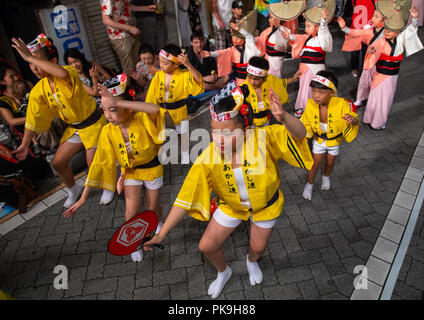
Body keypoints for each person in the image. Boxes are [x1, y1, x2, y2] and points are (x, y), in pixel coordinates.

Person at [144, 81, 313, 299]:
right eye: (214, 132)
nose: (219, 139)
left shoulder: (263, 138)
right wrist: (162, 234)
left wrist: (283, 117)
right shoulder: (209, 155)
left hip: (264, 207)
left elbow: (300, 134)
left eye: (227, 132)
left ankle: (251, 261)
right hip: (231, 207)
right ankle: (224, 272)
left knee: (258, 249)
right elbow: (185, 197)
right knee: (206, 245)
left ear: (246, 129)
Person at [63, 79, 164, 263]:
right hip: (131, 172)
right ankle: (135, 243)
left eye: (113, 110)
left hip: (152, 168)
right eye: (104, 110)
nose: (108, 115)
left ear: (129, 107)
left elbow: (155, 110)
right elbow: (98, 164)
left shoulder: (141, 117)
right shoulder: (107, 131)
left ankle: (157, 223)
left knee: (152, 207)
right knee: (130, 212)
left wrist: (118, 102)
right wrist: (83, 198)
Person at [11, 34, 110, 208]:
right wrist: (25, 144)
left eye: (38, 61)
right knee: (58, 163)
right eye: (30, 63)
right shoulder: (38, 90)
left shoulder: (68, 72)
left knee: (93, 164)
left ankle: (107, 187)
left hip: (93, 123)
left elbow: (62, 72)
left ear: (53, 60)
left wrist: (27, 56)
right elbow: (33, 119)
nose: (34, 67)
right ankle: (73, 189)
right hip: (76, 128)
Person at [301, 70, 359, 200]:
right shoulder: (310, 104)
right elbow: (306, 122)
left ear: (332, 93)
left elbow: (355, 119)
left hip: (334, 141)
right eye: (314, 90)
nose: (316, 95)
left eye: (321, 92)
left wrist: (352, 120)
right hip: (318, 140)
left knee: (330, 161)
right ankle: (309, 185)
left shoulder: (342, 104)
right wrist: (303, 137)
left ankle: (326, 177)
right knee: (314, 163)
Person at [362, 7, 423, 130]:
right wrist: (371, 50)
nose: (387, 32)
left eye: (391, 30)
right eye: (386, 30)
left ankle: (378, 122)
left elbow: (412, 30)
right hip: (380, 73)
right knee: (375, 96)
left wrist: (415, 18)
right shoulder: (381, 41)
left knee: (386, 99)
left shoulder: (401, 39)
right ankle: (370, 118)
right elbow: (373, 48)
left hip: (392, 75)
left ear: (398, 31)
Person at [281, 7, 333, 118]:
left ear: (318, 27)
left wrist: (323, 21)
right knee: (303, 88)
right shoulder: (306, 37)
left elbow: (324, 33)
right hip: (304, 68)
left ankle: (314, 108)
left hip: (316, 69)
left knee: (316, 89)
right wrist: (289, 36)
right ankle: (301, 107)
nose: (306, 28)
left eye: (308, 26)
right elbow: (298, 38)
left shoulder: (322, 38)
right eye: (305, 26)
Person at [145, 43, 204, 135]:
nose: (161, 65)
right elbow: (151, 97)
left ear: (176, 64)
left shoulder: (184, 75)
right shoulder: (158, 76)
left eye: (165, 63)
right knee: (169, 141)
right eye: (160, 61)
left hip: (180, 113)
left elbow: (199, 80)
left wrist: (188, 65)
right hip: (162, 114)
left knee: (183, 140)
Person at [338, 9, 386, 109]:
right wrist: (344, 28)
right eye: (373, 15)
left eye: (376, 17)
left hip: (382, 63)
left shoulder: (388, 33)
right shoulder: (369, 31)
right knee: (364, 80)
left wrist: (415, 20)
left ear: (384, 20)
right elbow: (356, 32)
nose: (372, 18)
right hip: (370, 60)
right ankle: (360, 98)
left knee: (377, 83)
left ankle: (374, 101)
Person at [242, 56, 299, 127]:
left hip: (266, 120)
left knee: (263, 137)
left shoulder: (269, 81)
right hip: (250, 122)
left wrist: (292, 79)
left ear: (264, 78)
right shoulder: (244, 88)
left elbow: (279, 83)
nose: (252, 82)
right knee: (250, 137)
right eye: (249, 77)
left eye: (256, 79)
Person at [101, 0, 153, 72]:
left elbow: (127, 7)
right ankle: (129, 83)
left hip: (131, 31)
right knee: (128, 68)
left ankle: (139, 82)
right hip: (119, 36)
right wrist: (129, 28)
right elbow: (106, 20)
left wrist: (147, 8)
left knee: (139, 63)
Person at [247, 13, 291, 78]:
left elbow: (283, 46)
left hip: (276, 60)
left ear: (278, 20)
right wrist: (251, 39)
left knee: (274, 79)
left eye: (271, 18)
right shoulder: (268, 30)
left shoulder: (285, 31)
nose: (269, 20)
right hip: (268, 58)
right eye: (269, 18)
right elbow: (261, 40)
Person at [343, 0, 376, 78]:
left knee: (364, 52)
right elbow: (349, 10)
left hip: (366, 30)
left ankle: (361, 69)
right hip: (357, 29)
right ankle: (356, 68)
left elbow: (348, 11)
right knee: (356, 52)